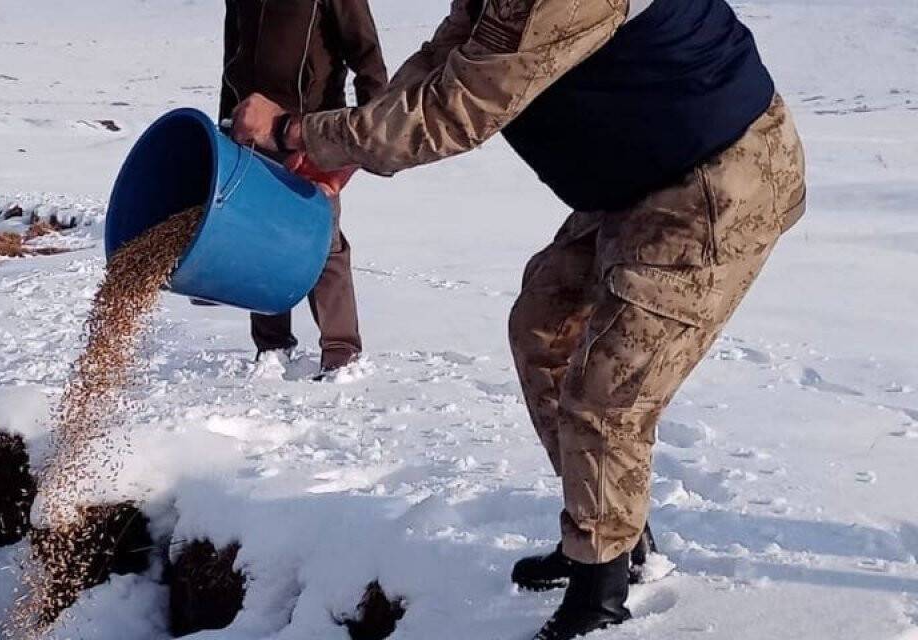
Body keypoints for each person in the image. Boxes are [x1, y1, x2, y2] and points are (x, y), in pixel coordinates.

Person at [230, 0, 805, 637]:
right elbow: (453, 48)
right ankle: (608, 528)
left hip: (713, 186)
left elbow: (457, 110)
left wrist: (297, 132)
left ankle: (602, 592)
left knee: (608, 393)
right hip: (639, 177)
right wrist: (353, 139)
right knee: (542, 325)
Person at [220, 0, 387, 378]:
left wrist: (370, 136)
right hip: (254, 134)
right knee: (260, 236)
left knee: (322, 239)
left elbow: (368, 57)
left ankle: (341, 350)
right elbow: (233, 58)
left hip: (312, 132)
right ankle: (271, 345)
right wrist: (226, 126)